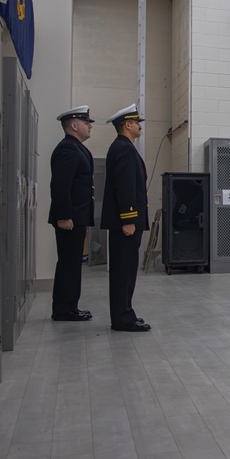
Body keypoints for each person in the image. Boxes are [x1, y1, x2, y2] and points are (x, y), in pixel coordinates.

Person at [101, 104, 152, 332]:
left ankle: (125, 313)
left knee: (127, 270)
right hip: (127, 223)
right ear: (128, 125)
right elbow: (125, 187)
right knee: (123, 271)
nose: (140, 126)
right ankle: (122, 318)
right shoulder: (124, 149)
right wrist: (129, 219)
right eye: (137, 123)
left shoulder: (123, 148)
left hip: (127, 221)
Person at [47, 106, 96, 322]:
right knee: (68, 264)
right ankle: (64, 309)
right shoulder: (67, 149)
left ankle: (69, 307)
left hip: (76, 218)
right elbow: (60, 186)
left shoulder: (75, 148)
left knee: (72, 264)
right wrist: (64, 216)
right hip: (69, 219)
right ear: (74, 126)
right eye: (86, 123)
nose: (90, 126)